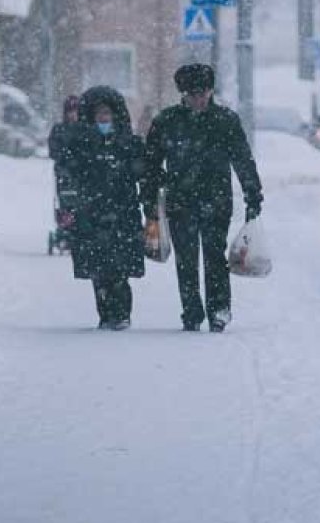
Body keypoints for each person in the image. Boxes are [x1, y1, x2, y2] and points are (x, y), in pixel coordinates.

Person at [143, 63, 262, 333]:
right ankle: (192, 311)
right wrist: (150, 197)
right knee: (186, 259)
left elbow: (242, 159)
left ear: (211, 91)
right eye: (193, 94)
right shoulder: (167, 121)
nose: (199, 99)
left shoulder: (225, 121)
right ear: (183, 94)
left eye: (204, 93)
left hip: (215, 200)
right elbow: (150, 163)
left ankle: (219, 310)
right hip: (180, 200)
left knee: (214, 256)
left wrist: (252, 193)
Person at [68, 85, 148, 330]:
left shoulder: (129, 143)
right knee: (97, 268)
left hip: (122, 213)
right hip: (91, 213)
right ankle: (105, 313)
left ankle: (121, 313)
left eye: (107, 113)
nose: (104, 118)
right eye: (99, 114)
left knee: (119, 267)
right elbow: (71, 175)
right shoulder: (81, 144)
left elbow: (142, 173)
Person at [46, 94, 83, 253]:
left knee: (83, 202)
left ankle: (80, 226)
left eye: (76, 111)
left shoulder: (85, 130)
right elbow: (53, 151)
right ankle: (65, 227)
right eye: (70, 111)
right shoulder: (59, 130)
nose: (73, 115)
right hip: (64, 173)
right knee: (66, 201)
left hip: (83, 174)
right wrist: (66, 157)